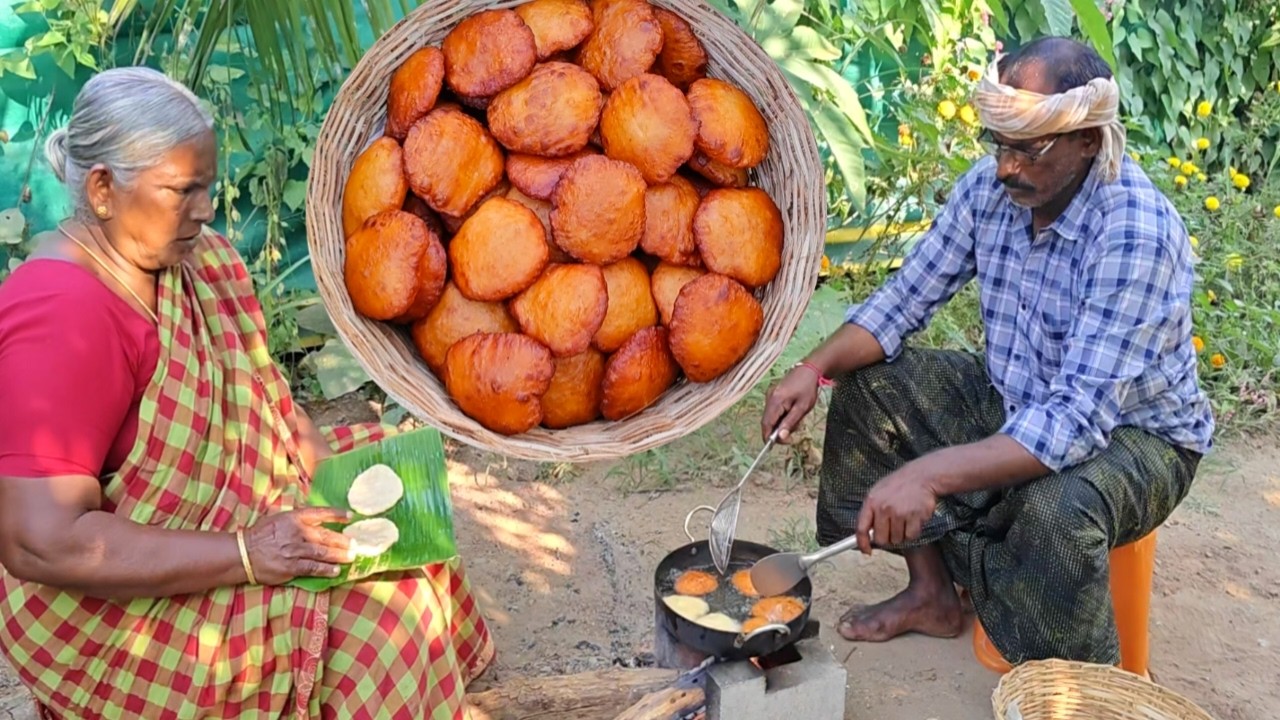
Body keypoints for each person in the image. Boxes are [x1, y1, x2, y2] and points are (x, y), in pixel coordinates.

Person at [0, 67, 493, 718]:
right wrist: (249, 552)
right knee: (388, 625)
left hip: (215, 524)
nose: (204, 211)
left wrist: (328, 487)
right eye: (184, 191)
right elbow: (42, 542)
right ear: (101, 189)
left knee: (394, 488)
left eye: (207, 186)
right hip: (111, 614)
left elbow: (267, 401)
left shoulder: (190, 262)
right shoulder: (62, 314)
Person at [762, 37, 1214, 667]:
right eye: (999, 144)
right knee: (868, 387)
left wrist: (927, 474)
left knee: (1054, 510)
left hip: (1138, 438)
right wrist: (813, 369)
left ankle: (1075, 690)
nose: (1007, 167)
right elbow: (903, 300)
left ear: (1089, 140)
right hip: (1019, 399)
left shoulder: (1133, 230)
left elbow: (1075, 422)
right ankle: (933, 594)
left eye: (1029, 149)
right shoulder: (991, 191)